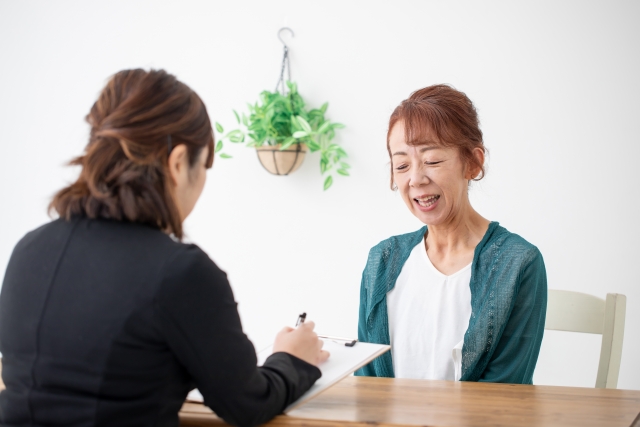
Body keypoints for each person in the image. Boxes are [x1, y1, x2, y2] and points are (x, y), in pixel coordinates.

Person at [0, 69, 328, 427]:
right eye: (203, 167)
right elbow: (248, 403)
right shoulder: (180, 273)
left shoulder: (28, 250)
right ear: (177, 163)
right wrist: (292, 358)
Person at [355, 84, 547, 384]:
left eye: (432, 160)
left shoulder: (517, 262)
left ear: (472, 162)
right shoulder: (383, 260)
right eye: (402, 164)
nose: (416, 179)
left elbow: (505, 391)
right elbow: (366, 381)